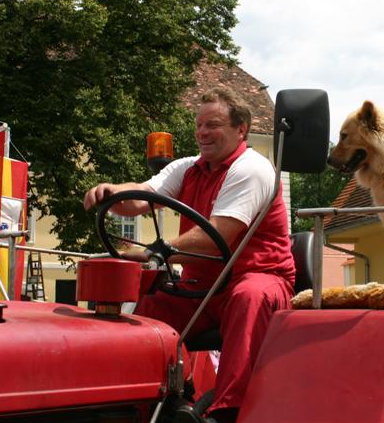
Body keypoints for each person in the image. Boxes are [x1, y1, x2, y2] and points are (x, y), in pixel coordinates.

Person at [83, 88, 295, 423]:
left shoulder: (252, 168)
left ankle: (228, 411)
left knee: (248, 298)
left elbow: (216, 238)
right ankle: (136, 402)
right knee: (153, 306)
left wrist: (156, 252)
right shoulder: (186, 168)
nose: (202, 133)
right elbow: (141, 197)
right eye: (198, 125)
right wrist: (110, 192)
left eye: (213, 124)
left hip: (257, 276)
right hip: (202, 285)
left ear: (241, 129)